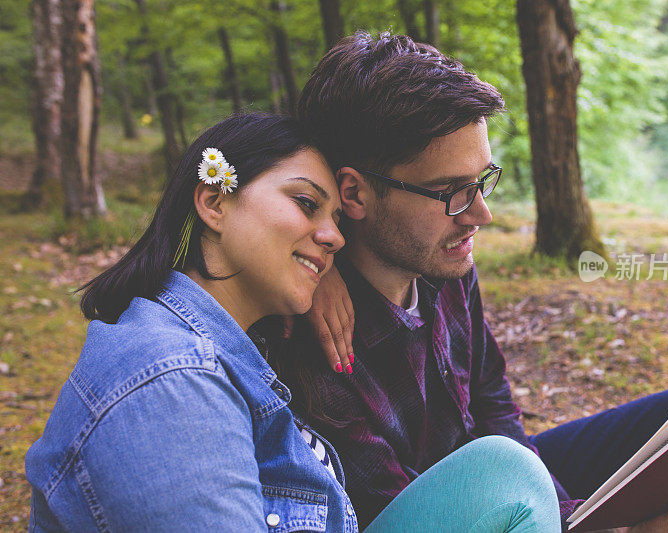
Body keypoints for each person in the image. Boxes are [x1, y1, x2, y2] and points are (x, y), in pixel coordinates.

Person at [260, 32, 668, 532]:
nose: (481, 215)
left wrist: (569, 513)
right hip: (444, 512)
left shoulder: (441, 263)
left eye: (482, 181)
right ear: (354, 193)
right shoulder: (311, 335)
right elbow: (398, 506)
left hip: (505, 475)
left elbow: (492, 403)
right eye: (450, 192)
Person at [25, 113, 561, 532]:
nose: (334, 236)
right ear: (214, 201)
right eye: (307, 204)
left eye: (334, 217)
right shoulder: (170, 384)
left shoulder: (239, 346)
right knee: (503, 476)